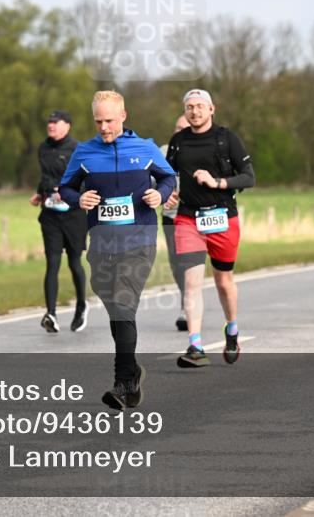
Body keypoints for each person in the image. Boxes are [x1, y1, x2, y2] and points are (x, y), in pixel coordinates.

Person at [59, 90, 176, 409]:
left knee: (124, 303)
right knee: (114, 304)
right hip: (101, 242)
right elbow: (66, 187)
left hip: (139, 240)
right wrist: (77, 199)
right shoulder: (84, 152)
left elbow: (168, 177)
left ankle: (123, 381)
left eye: (109, 120)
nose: (104, 127)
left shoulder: (145, 148)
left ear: (123, 116)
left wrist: (159, 195)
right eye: (98, 121)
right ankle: (133, 372)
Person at [165, 89, 255, 367]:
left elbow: (248, 178)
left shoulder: (227, 139)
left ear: (211, 109)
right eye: (189, 107)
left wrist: (217, 182)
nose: (194, 111)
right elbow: (166, 175)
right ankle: (195, 344)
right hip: (188, 219)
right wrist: (167, 191)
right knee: (192, 284)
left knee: (223, 282)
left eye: (200, 106)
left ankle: (232, 327)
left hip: (223, 218)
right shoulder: (178, 141)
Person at [30, 111, 89, 333]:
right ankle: (51, 313)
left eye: (56, 122)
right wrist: (40, 193)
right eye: (49, 122)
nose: (51, 126)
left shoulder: (78, 149)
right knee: (52, 263)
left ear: (68, 126)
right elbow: (45, 175)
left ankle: (81, 307)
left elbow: (86, 179)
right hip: (50, 214)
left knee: (74, 262)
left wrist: (69, 191)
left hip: (73, 214)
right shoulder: (43, 147)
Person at [160, 115, 196, 332]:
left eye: (185, 128)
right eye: (177, 127)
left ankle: (189, 307)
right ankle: (186, 299)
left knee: (189, 262)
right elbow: (151, 177)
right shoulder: (164, 151)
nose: (180, 131)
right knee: (176, 263)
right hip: (170, 215)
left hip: (193, 215)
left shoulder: (201, 150)